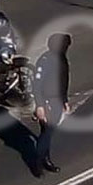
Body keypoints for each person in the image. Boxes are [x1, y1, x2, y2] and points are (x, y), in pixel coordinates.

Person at [32, 33, 71, 177]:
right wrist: (40, 105)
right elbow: (37, 84)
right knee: (47, 132)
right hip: (47, 100)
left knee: (48, 132)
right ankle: (37, 163)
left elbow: (63, 81)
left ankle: (45, 159)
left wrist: (64, 100)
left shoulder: (61, 59)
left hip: (56, 101)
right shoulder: (46, 60)